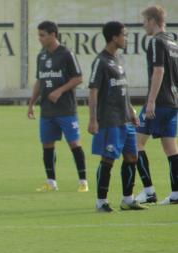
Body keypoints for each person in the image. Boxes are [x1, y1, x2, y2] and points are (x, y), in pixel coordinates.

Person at [88, 21, 148, 212]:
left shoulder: (118, 60)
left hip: (125, 118)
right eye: (124, 35)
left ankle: (128, 199)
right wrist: (92, 119)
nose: (126, 38)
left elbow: (123, 88)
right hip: (109, 119)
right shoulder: (101, 61)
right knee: (108, 159)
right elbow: (93, 91)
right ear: (114, 37)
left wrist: (131, 110)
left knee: (132, 157)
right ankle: (101, 201)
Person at [27, 21, 88, 192]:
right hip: (47, 110)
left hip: (66, 109)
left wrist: (60, 91)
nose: (40, 38)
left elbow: (78, 78)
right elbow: (40, 80)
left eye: (42, 35)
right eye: (39, 35)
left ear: (53, 35)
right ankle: (51, 182)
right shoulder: (42, 55)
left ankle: (83, 181)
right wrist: (32, 103)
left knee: (74, 144)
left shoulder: (67, 54)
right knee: (47, 145)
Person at [135, 5, 178, 205]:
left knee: (135, 144)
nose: (144, 26)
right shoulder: (173, 41)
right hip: (173, 103)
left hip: (159, 102)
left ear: (152, 20)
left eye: (145, 21)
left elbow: (158, 71)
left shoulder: (156, 42)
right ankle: (176, 193)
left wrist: (150, 100)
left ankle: (149, 191)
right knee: (171, 148)